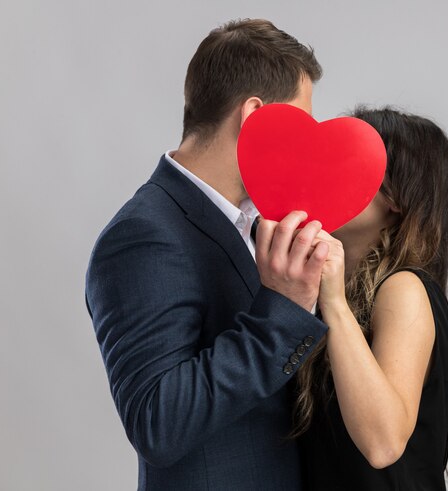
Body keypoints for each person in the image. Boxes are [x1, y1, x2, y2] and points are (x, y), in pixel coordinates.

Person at [85, 19, 332, 490]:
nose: (307, 143)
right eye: (301, 122)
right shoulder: (143, 234)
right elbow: (159, 423)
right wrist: (283, 308)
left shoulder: (255, 222)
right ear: (255, 115)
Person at [288, 107, 448, 490]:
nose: (324, 177)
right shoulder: (333, 289)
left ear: (396, 196)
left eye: (347, 165)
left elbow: (383, 444)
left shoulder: (403, 289)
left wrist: (333, 304)